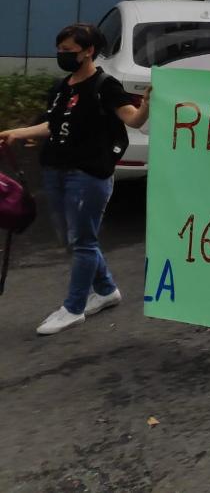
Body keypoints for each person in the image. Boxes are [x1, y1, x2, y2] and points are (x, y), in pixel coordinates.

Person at [0, 24, 151, 335]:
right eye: (60, 50)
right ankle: (106, 290)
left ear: (88, 51)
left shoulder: (104, 86)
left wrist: (147, 104)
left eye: (68, 51)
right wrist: (16, 134)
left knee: (81, 241)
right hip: (55, 170)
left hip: (88, 174)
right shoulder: (61, 87)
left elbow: (132, 119)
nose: (62, 56)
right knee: (72, 239)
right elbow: (52, 126)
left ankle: (73, 307)